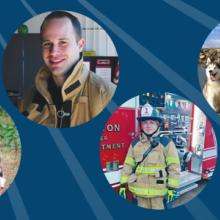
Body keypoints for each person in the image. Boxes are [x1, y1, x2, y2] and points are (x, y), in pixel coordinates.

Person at [22, 11, 116, 128]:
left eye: (63, 42)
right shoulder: (27, 99)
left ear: (80, 45)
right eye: (47, 44)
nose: (53, 52)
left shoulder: (107, 96)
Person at [119, 103, 180, 210]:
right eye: (145, 122)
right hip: (138, 194)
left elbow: (174, 167)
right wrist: (123, 185)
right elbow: (128, 165)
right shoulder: (135, 144)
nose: (148, 125)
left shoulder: (166, 143)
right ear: (141, 125)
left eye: (152, 122)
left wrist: (172, 188)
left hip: (159, 197)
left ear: (157, 125)